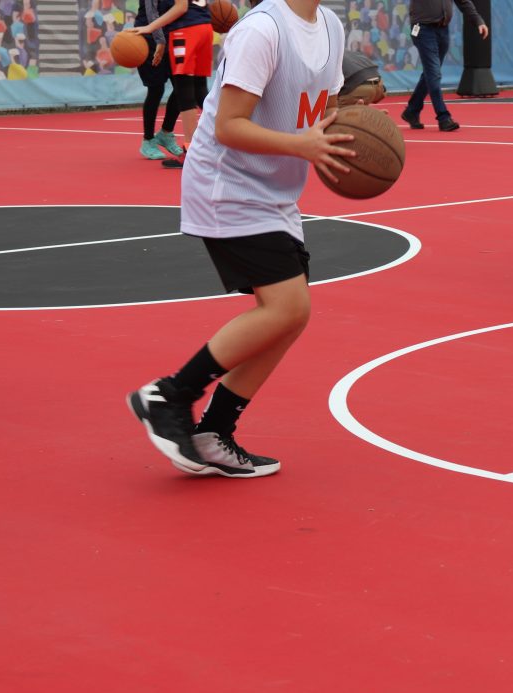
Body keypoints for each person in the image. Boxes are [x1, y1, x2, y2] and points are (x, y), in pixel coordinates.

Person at [127, 0, 356, 477]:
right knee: (287, 308)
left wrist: (352, 125)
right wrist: (302, 145)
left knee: (288, 319)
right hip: (226, 184)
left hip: (275, 190)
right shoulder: (262, 31)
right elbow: (229, 126)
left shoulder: (331, 26)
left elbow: (326, 107)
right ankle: (168, 395)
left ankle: (214, 433)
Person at [129, 0, 214, 169]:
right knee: (200, 90)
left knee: (184, 91)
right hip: (204, 27)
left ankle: (190, 150)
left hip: (186, 29)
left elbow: (181, 7)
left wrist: (150, 27)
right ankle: (221, 143)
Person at [400, 0, 488, 132]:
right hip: (422, 29)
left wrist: (478, 20)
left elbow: (463, 2)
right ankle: (443, 117)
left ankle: (412, 111)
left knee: (431, 74)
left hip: (442, 29)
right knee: (433, 73)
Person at [135, 0, 185, 161]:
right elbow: (151, 13)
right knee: (156, 89)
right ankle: (148, 140)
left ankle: (165, 132)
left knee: (182, 87)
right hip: (150, 36)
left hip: (172, 34)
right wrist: (160, 40)